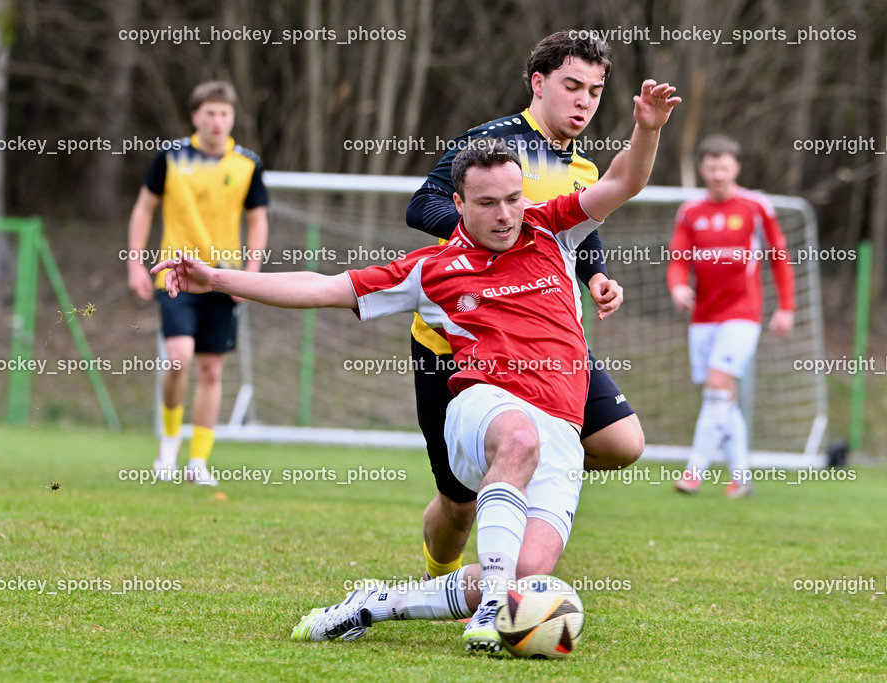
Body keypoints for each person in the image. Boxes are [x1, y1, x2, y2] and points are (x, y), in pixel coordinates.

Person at [153, 80, 679, 652]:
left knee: (527, 577)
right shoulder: (431, 268)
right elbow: (321, 287)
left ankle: (378, 603)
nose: (505, 215)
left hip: (561, 429)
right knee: (518, 442)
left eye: (513, 199)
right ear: (458, 204)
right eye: (487, 203)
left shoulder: (552, 229)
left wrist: (647, 129)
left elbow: (624, 181)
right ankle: (493, 609)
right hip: (484, 408)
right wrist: (217, 278)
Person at [405, 30, 645, 582]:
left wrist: (597, 276)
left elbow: (579, 231)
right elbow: (423, 204)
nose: (584, 101)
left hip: (545, 340)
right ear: (538, 83)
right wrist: (495, 233)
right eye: (572, 86)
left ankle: (519, 463)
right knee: (459, 504)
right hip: (458, 342)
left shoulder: (585, 169)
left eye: (595, 91)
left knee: (622, 442)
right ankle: (441, 579)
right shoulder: (492, 145)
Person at [127, 81, 269, 485]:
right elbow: (144, 208)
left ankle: (198, 462)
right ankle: (169, 443)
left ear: (233, 118)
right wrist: (135, 262)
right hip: (176, 275)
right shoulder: (170, 156)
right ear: (195, 117)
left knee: (210, 368)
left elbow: (257, 220)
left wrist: (251, 273)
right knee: (179, 357)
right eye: (210, 113)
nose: (217, 121)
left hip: (224, 278)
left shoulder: (247, 163)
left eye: (224, 113)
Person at [667, 134, 794, 498]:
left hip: (743, 313)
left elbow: (779, 257)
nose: (718, 174)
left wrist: (786, 306)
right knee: (723, 397)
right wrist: (678, 287)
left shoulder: (756, 207)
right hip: (703, 316)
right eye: (712, 168)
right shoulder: (690, 211)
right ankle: (741, 478)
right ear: (702, 169)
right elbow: (678, 259)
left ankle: (694, 472)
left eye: (724, 167)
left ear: (736, 168)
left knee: (716, 386)